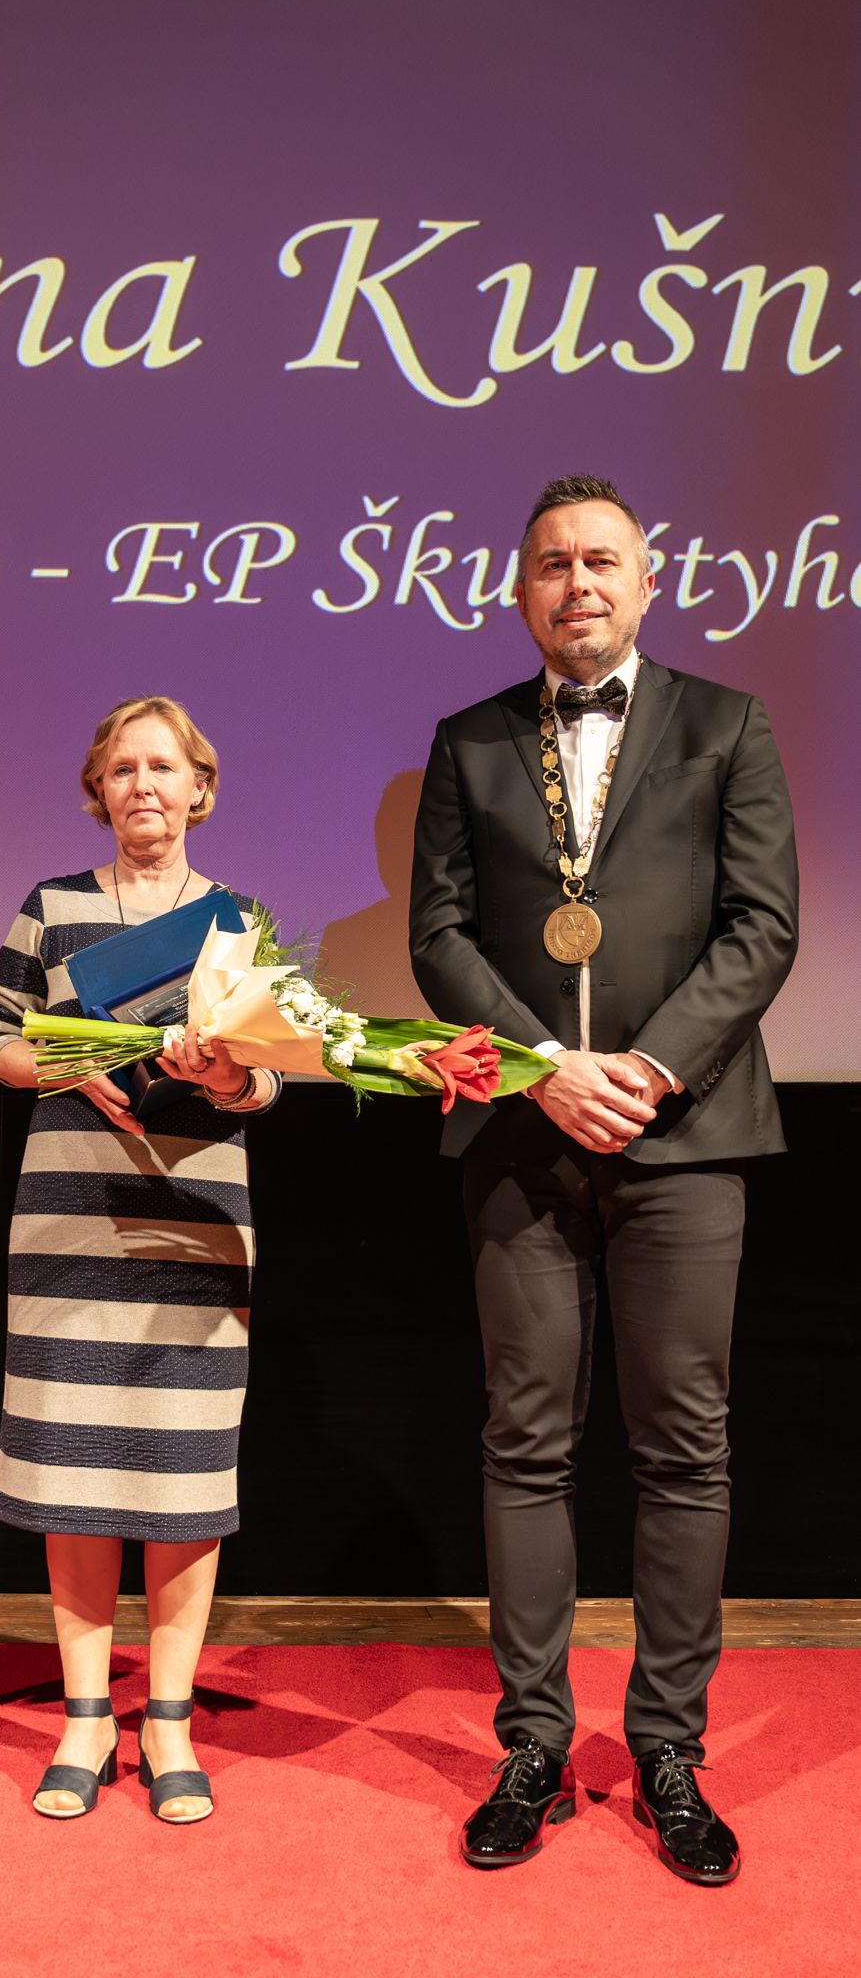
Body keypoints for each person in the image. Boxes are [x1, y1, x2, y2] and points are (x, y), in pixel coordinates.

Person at [410, 475, 798, 1885]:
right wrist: (542, 1071)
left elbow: (763, 925)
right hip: (523, 1138)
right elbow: (440, 935)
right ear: (521, 592)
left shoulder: (727, 724)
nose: (578, 583)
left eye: (601, 562)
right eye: (552, 564)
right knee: (526, 1443)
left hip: (684, 1135)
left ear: (647, 582)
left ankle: (669, 1749)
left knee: (683, 1446)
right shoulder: (467, 740)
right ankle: (531, 1741)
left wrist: (648, 1067)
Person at [0, 695, 279, 1825]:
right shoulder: (49, 908)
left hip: (196, 1214)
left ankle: (171, 1721)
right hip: (68, 1218)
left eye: (164, 766)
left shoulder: (237, 919)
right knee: (76, 1465)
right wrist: (54, 1061)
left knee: (183, 1477)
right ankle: (87, 1718)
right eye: (122, 768)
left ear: (201, 787)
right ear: (96, 790)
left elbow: (270, 1073)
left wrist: (227, 1077)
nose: (143, 785)